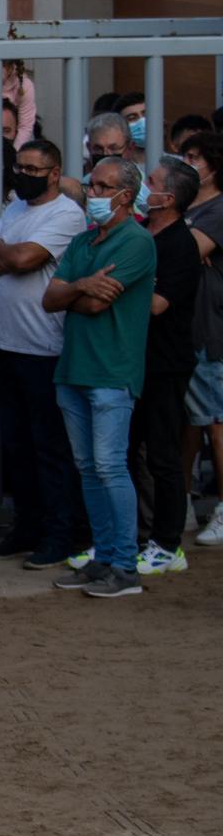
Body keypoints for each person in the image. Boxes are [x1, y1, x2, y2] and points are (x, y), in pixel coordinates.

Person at [42, 157, 157, 598]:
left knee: (109, 467)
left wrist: (77, 290)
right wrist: (82, 286)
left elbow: (91, 304)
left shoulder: (136, 242)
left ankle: (125, 566)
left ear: (127, 196)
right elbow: (52, 299)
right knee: (91, 468)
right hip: (74, 368)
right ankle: (105, 557)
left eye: (105, 187)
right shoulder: (83, 241)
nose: (94, 194)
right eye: (92, 186)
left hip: (112, 371)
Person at [0, 139, 88, 567]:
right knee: (16, 444)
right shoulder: (16, 209)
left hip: (46, 348)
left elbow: (20, 258)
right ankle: (27, 527)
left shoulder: (66, 215)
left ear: (55, 173)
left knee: (50, 447)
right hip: (6, 344)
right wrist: (8, 255)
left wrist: (3, 251)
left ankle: (61, 534)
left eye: (32, 168)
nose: (22, 174)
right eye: (19, 166)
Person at [133, 158, 198, 575]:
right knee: (125, 454)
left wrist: (113, 286)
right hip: (134, 361)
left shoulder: (179, 244)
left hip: (165, 365)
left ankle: (168, 543)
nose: (143, 185)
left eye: (150, 182)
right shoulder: (142, 234)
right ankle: (133, 538)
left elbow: (158, 304)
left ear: (168, 198)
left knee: (162, 455)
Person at [181, 132, 223, 547]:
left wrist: (181, 246)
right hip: (183, 329)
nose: (187, 162)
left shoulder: (219, 208)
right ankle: (183, 505)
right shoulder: (185, 207)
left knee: (215, 422)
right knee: (188, 423)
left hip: (211, 330)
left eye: (195, 157)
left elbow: (186, 250)